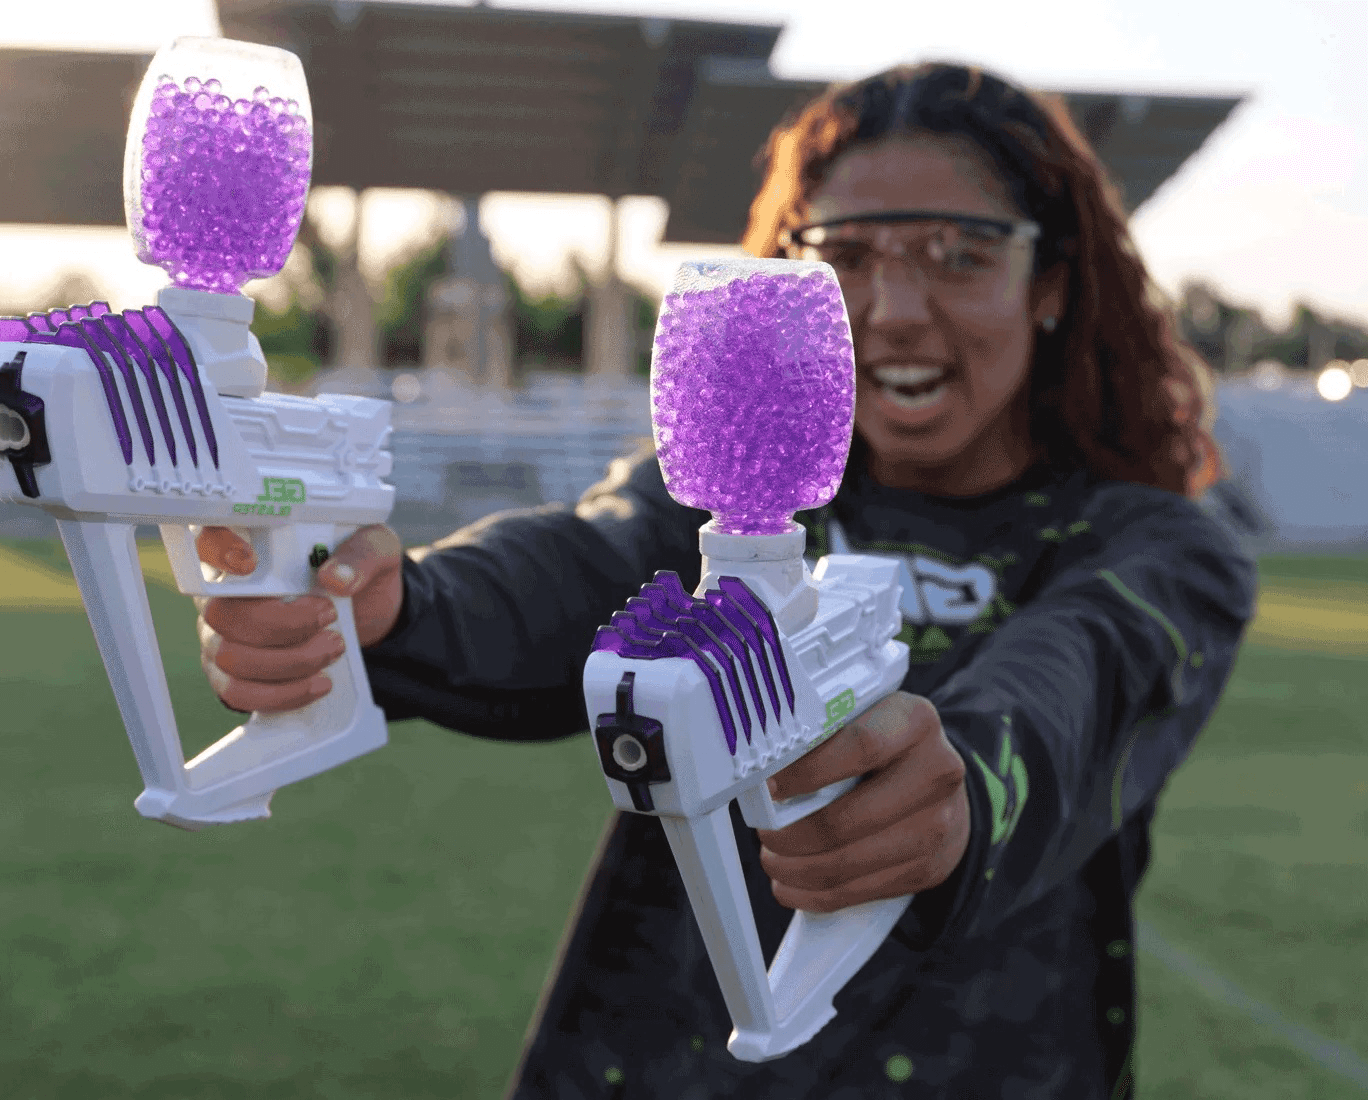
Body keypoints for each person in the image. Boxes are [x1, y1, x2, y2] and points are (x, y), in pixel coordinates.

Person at [194, 62, 1256, 1099]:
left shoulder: (1157, 545)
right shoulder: (724, 501)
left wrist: (960, 790)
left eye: (957, 254)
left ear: (1053, 283)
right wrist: (401, 601)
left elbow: (1076, 680)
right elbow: (587, 557)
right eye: (843, 255)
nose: (890, 307)